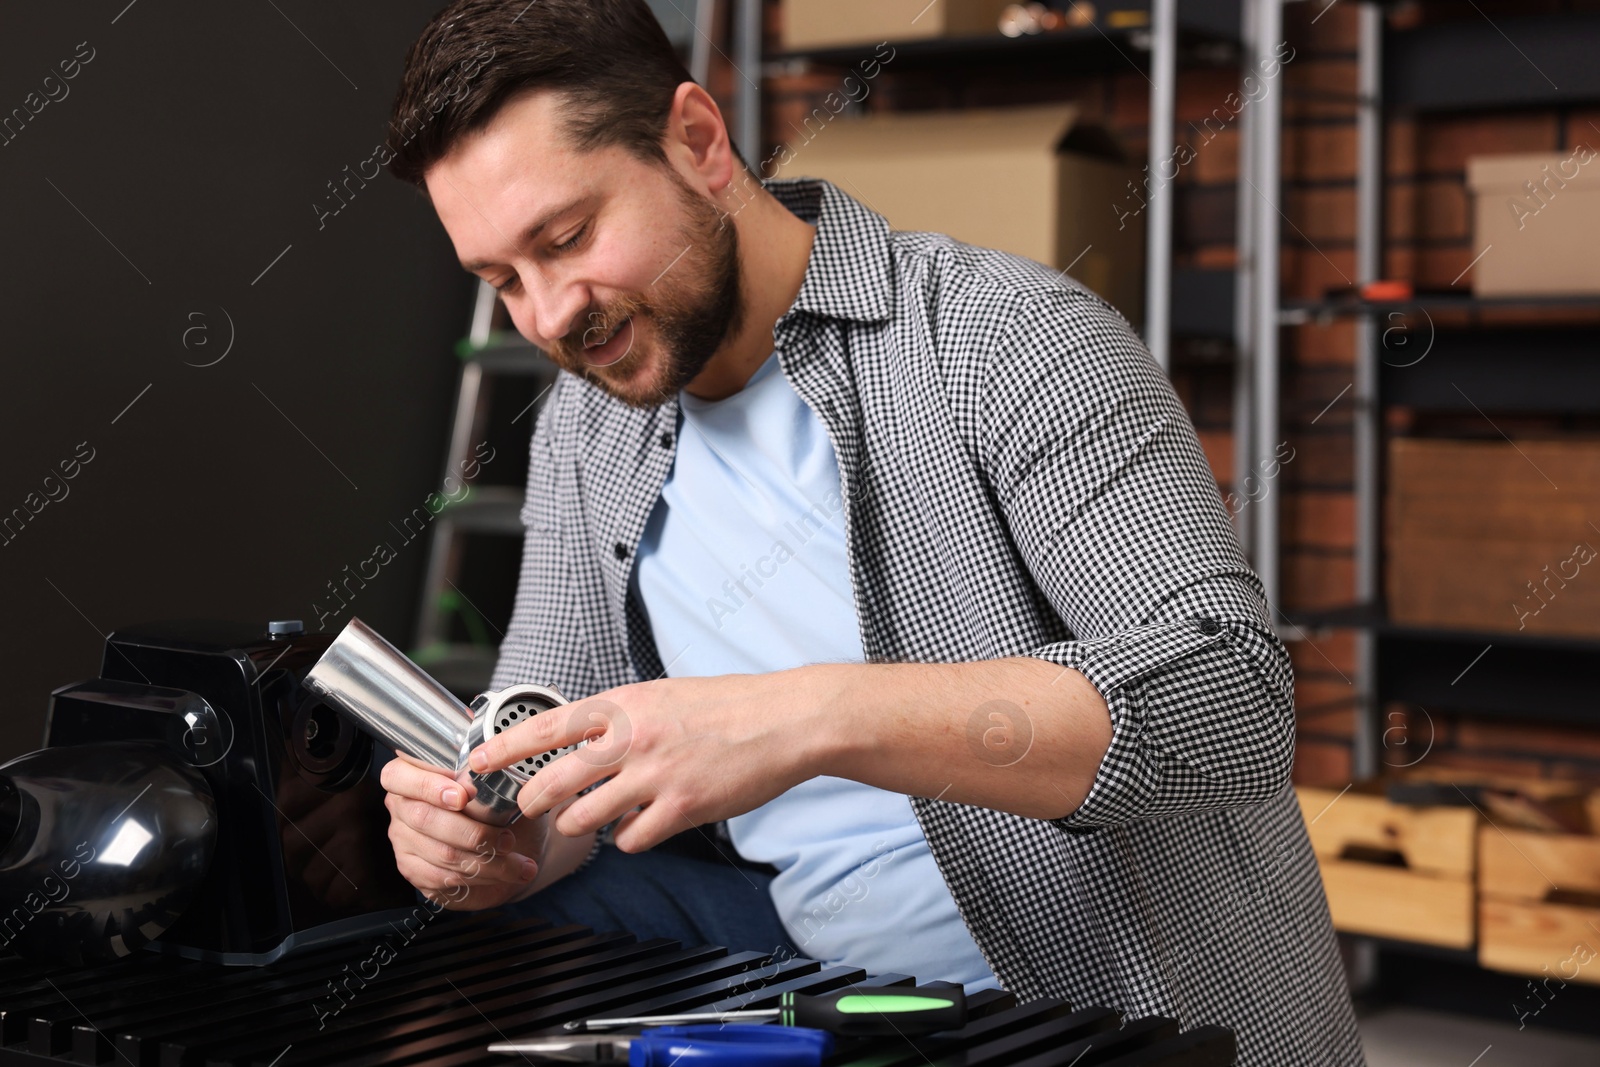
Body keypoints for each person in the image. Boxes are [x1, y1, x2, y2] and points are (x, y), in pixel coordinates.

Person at [373, 1, 1365, 1062]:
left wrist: (804, 714)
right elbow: (552, 762)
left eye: (566, 239)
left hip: (1089, 991)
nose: (548, 315)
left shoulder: (1004, 337)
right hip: (826, 982)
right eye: (501, 281)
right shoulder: (587, 420)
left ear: (699, 143)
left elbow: (1231, 701)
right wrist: (494, 834)